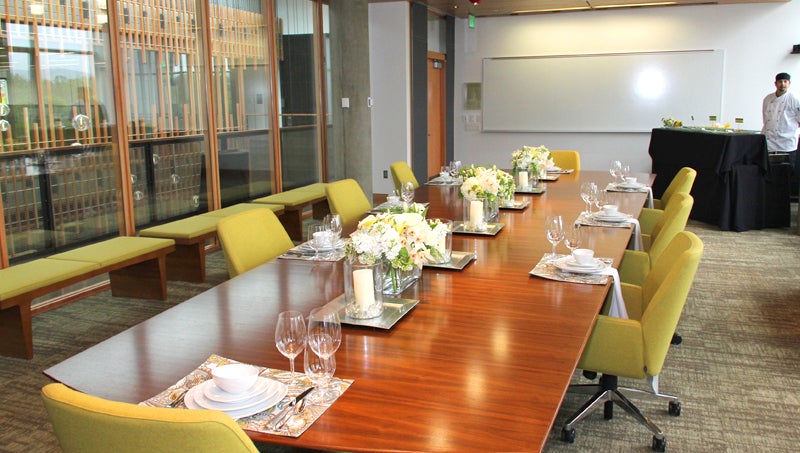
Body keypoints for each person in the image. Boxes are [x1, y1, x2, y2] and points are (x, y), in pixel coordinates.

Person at [762, 72, 800, 193]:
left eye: (785, 82)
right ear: (775, 83)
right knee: (770, 175)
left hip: (787, 144)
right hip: (769, 143)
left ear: (789, 84)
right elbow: (765, 119)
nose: (782, 84)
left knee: (787, 177)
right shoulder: (768, 99)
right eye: (780, 81)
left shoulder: (794, 99)